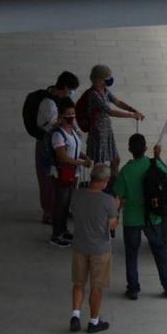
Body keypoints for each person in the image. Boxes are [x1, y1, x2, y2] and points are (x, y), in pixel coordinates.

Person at [113, 134, 167, 300]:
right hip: (153, 217)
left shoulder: (126, 171)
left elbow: (118, 195)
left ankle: (133, 288)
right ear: (145, 148)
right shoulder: (153, 164)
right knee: (159, 250)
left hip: (132, 218)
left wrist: (115, 216)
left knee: (132, 254)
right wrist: (157, 156)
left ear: (129, 150)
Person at [69, 163, 118, 334]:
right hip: (100, 249)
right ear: (105, 181)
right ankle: (93, 321)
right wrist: (116, 209)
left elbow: (74, 212)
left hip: (80, 245)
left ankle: (75, 314)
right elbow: (112, 226)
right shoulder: (108, 201)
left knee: (78, 283)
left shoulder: (77, 195)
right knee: (96, 287)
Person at [80, 64, 145, 174]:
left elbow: (117, 102)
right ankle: (99, 185)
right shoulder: (93, 95)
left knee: (115, 160)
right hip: (98, 132)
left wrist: (132, 109)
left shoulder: (104, 90)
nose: (110, 80)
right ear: (99, 80)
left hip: (107, 130)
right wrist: (131, 116)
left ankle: (113, 184)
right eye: (107, 78)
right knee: (99, 164)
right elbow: (110, 111)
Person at [33, 72, 79, 224]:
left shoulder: (63, 99)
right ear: (65, 87)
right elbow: (54, 124)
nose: (72, 92)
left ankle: (61, 210)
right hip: (47, 145)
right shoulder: (48, 103)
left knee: (64, 179)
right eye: (72, 89)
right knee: (47, 180)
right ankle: (49, 213)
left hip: (61, 141)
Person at [50, 106, 92, 247]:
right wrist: (81, 162)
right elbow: (62, 157)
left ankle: (63, 230)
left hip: (73, 173)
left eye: (73, 113)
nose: (72, 116)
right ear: (61, 116)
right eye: (68, 114)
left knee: (67, 203)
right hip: (62, 173)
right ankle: (56, 234)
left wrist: (84, 156)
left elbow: (74, 148)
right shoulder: (58, 135)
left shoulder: (71, 131)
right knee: (60, 204)